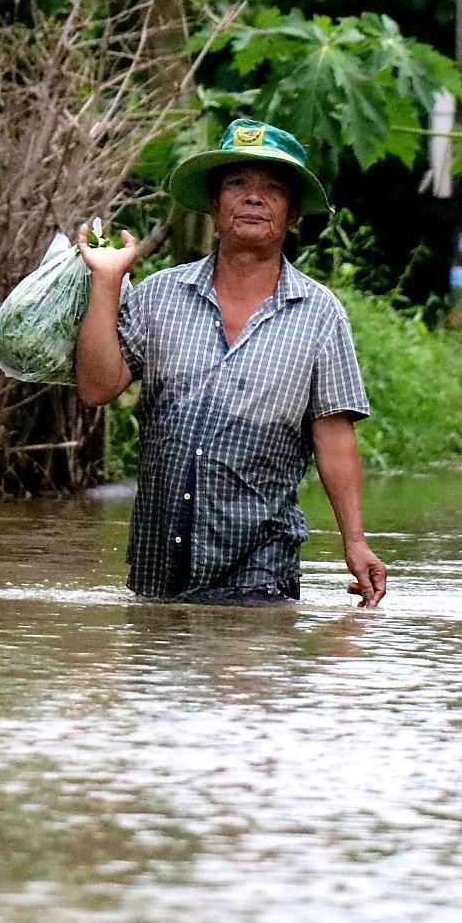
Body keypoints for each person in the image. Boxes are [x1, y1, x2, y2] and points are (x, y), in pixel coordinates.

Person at [75, 118, 389, 609]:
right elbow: (96, 387)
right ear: (215, 208)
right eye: (237, 184)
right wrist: (107, 281)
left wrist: (355, 541)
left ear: (292, 216)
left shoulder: (319, 314)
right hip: (160, 563)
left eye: (272, 189)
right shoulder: (160, 296)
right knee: (157, 679)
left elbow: (334, 438)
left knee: (245, 676)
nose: (253, 197)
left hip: (259, 566)